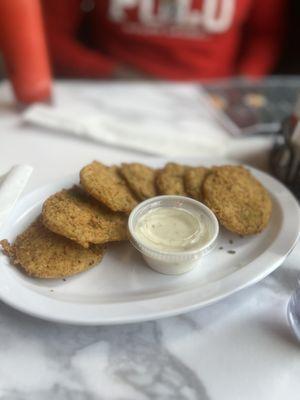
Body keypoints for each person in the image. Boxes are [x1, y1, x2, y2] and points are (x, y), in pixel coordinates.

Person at [41, 0, 287, 80]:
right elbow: (48, 39)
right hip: (114, 92)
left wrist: (243, 83)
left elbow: (265, 36)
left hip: (212, 102)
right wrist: (112, 72)